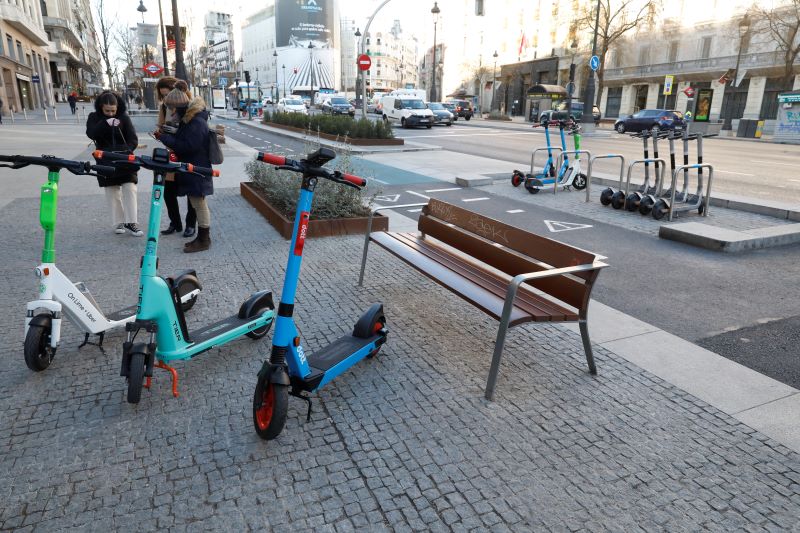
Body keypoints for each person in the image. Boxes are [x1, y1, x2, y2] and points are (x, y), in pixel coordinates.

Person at [155, 87, 214, 253]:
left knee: (199, 204)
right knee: (197, 203)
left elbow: (188, 146)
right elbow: (187, 141)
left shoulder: (195, 122)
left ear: (180, 107)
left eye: (173, 108)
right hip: (194, 167)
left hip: (196, 168)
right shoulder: (192, 119)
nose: (172, 112)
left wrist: (164, 137)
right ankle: (202, 237)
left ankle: (204, 239)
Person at [85, 91, 143, 236]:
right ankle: (119, 222)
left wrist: (126, 150)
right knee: (111, 191)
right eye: (107, 111)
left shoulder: (123, 117)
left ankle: (132, 222)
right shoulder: (94, 117)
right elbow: (92, 134)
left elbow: (133, 139)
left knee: (130, 188)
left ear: (118, 107)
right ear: (100, 107)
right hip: (105, 159)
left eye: (113, 111)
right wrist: (105, 123)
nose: (110, 114)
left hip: (124, 159)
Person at [155, 77, 196, 238]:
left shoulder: (190, 107)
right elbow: (160, 126)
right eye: (163, 96)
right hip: (171, 153)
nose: (165, 99)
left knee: (191, 190)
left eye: (167, 94)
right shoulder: (164, 107)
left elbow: (195, 133)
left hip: (188, 154)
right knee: (168, 191)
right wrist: (160, 133)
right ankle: (175, 223)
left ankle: (191, 225)